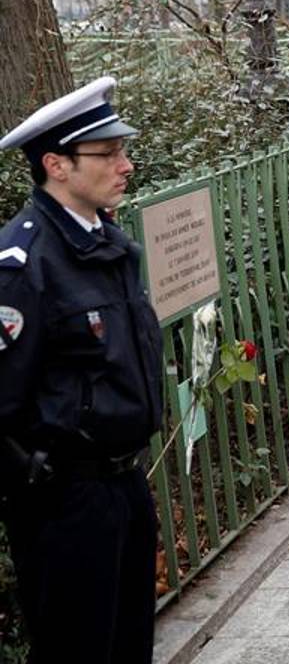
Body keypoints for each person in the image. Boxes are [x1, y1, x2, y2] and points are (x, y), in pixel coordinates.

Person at [0, 77, 163, 663]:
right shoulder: (25, 263)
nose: (126, 164)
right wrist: (35, 477)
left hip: (123, 486)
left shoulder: (104, 240)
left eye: (123, 149)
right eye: (108, 153)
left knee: (128, 646)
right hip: (65, 500)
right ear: (56, 165)